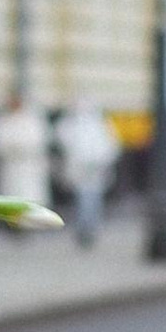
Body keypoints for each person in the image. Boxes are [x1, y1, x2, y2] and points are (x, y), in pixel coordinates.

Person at [54, 99, 118, 246]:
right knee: (82, 198)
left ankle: (90, 228)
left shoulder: (99, 125)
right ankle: (83, 228)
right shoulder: (72, 123)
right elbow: (63, 139)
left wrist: (100, 161)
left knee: (93, 199)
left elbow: (110, 146)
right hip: (80, 169)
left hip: (96, 169)